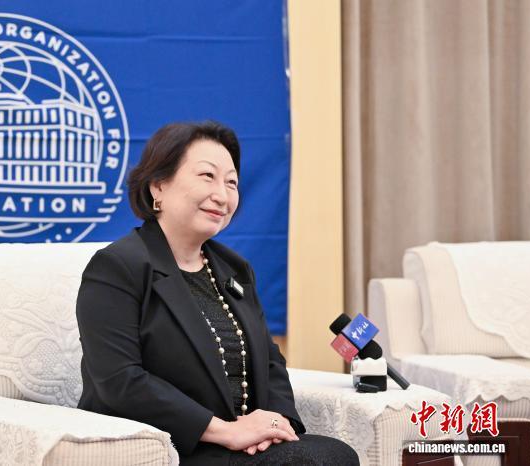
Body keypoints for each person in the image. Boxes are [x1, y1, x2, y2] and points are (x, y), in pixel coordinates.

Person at [76, 121, 359, 465]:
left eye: (231, 182)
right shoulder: (117, 266)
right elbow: (119, 381)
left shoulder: (234, 269)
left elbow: (271, 362)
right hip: (165, 446)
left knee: (332, 454)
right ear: (158, 186)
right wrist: (225, 431)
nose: (222, 196)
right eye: (207, 176)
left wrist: (276, 423)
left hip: (240, 446)